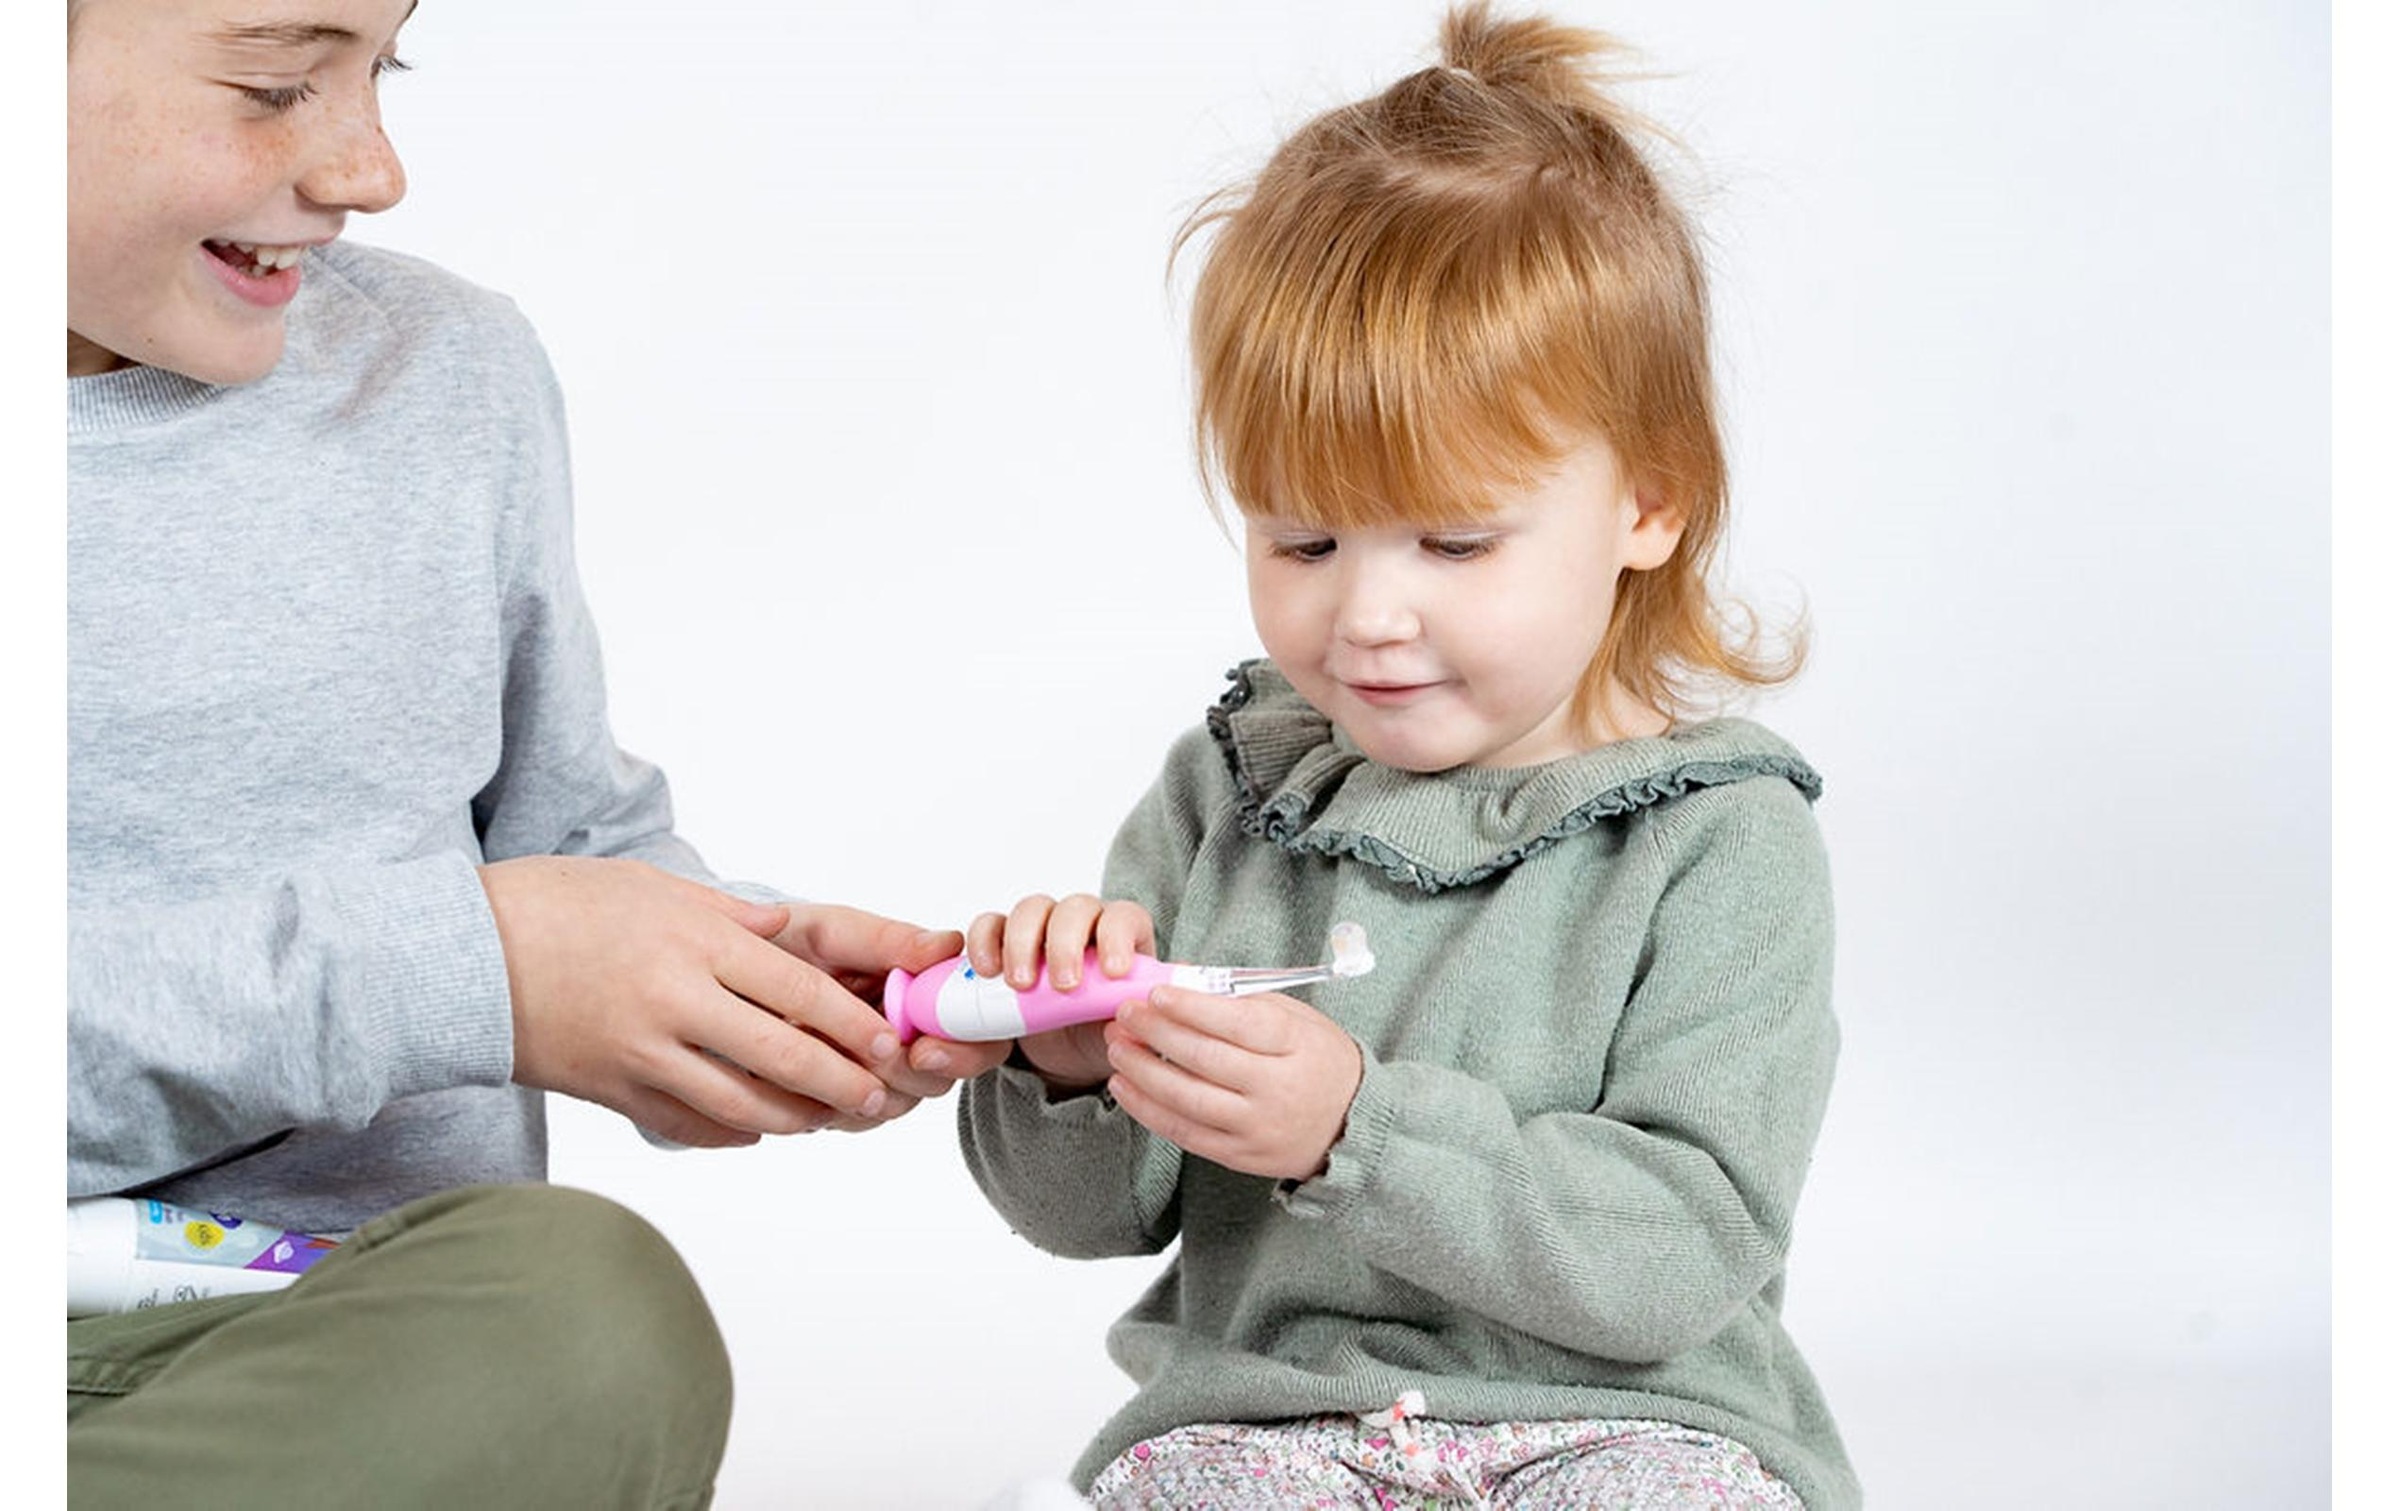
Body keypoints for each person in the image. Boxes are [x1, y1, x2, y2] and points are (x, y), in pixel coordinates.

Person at [65, 1, 1009, 1502]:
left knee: (586, 1325)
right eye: (277, 84)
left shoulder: (443, 372)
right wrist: (464, 973)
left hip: (361, 1348)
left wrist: (745, 983)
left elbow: (562, 847)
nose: (371, 169)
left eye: (383, 67)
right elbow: (484, 951)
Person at [954, 6, 1857, 1507]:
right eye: (1303, 540)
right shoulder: (1230, 794)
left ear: (1648, 504)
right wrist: (1065, 1060)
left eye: (1454, 540)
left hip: (1631, 1431)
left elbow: (1682, 1247)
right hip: (1269, 1428)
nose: (1369, 615)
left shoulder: (1722, 841)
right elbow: (1089, 1217)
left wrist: (1355, 1131)